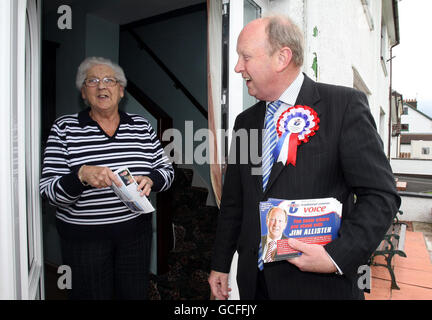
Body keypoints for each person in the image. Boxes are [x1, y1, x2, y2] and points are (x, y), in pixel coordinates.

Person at [208, 15, 400, 300]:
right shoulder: (244, 122)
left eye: (245, 57)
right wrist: (220, 265)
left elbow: (381, 196)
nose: (237, 67)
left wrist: (335, 256)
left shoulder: (343, 106)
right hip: (253, 284)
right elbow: (235, 202)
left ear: (282, 57)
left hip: (318, 288)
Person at [40, 56, 174, 299]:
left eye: (109, 80)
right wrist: (80, 175)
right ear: (83, 93)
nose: (101, 86)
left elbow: (167, 170)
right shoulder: (64, 128)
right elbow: (49, 192)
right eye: (92, 81)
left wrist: (152, 179)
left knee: (133, 295)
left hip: (136, 237)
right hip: (84, 242)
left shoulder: (142, 126)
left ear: (120, 90)